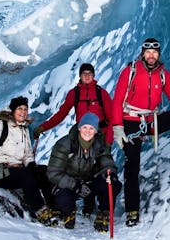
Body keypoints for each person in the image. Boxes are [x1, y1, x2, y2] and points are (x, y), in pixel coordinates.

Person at [112, 38, 170, 227]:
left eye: (155, 52)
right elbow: (117, 101)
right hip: (130, 122)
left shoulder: (163, 75)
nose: (151, 56)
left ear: (158, 54)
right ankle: (132, 211)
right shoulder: (130, 72)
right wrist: (118, 128)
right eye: (148, 52)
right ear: (143, 53)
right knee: (132, 165)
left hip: (152, 121)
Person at [33, 63, 113, 217]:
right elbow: (61, 114)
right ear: (80, 76)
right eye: (84, 73)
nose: (87, 76)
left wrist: (107, 141)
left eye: (90, 73)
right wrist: (44, 127)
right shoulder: (74, 94)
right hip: (81, 135)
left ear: (94, 75)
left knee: (98, 169)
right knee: (82, 167)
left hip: (99, 137)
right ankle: (83, 202)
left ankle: (95, 206)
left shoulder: (101, 93)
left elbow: (110, 119)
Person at [0, 96, 54, 225]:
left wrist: (32, 165)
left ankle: (53, 207)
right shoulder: (0, 125)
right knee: (26, 175)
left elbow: (27, 153)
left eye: (25, 109)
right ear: (12, 111)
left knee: (43, 171)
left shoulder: (24, 129)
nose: (23, 112)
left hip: (16, 170)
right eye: (19, 108)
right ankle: (40, 210)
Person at [47, 112, 121, 232]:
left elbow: (106, 161)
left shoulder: (99, 143)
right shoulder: (65, 144)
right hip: (68, 184)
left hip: (88, 182)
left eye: (91, 128)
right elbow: (54, 173)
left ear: (96, 131)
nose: (88, 131)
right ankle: (68, 211)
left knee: (112, 183)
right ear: (79, 127)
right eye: (85, 127)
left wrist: (110, 173)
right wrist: (75, 185)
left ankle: (104, 213)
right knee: (63, 200)